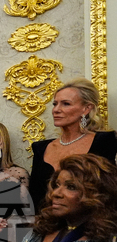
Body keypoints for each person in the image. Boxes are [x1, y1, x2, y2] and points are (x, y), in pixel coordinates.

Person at [30, 78, 117, 211]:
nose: (56, 110)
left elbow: (108, 192)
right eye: (55, 104)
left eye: (66, 104)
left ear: (86, 109)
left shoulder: (104, 141)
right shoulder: (40, 148)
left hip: (93, 225)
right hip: (46, 226)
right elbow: (35, 197)